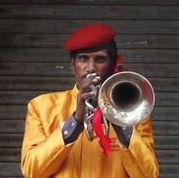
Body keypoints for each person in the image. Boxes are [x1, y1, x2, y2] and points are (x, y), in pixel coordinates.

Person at [21, 24, 159, 178]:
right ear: (73, 63)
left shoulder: (134, 112)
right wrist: (75, 121)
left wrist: (121, 122)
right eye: (83, 59)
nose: (91, 68)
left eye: (100, 59)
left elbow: (149, 175)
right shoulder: (41, 106)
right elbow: (32, 172)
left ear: (111, 65)